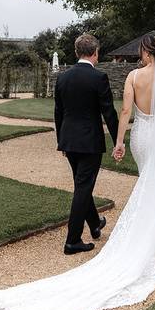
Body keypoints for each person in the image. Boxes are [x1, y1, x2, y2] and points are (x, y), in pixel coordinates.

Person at [0, 32, 155, 310]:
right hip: (132, 140)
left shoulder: (67, 78)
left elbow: (92, 112)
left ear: (146, 53)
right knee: (107, 186)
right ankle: (77, 237)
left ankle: (96, 223)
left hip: (100, 139)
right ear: (95, 53)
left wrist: (112, 141)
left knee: (99, 184)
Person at [53, 33, 119, 255]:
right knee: (83, 187)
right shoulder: (99, 78)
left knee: (83, 185)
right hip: (90, 142)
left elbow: (58, 113)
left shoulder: (62, 78)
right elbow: (108, 113)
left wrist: (61, 141)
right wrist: (118, 140)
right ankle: (72, 240)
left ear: (76, 52)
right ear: (95, 52)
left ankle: (94, 223)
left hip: (70, 141)